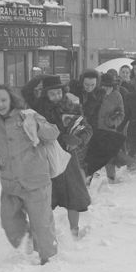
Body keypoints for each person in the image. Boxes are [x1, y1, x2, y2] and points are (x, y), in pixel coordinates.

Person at [0, 84, 60, 265]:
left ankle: (47, 260)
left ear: (11, 100)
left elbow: (54, 133)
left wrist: (37, 125)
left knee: (42, 224)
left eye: (3, 100)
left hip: (36, 179)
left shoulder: (28, 115)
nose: (0, 104)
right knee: (10, 224)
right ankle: (32, 232)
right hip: (11, 184)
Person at [37, 76, 93, 238]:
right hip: (46, 159)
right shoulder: (38, 112)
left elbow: (87, 129)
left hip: (69, 159)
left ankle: (74, 231)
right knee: (45, 198)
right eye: (52, 94)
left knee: (73, 196)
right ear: (45, 95)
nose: (56, 96)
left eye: (58, 93)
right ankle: (46, 233)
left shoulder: (73, 108)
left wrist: (78, 140)